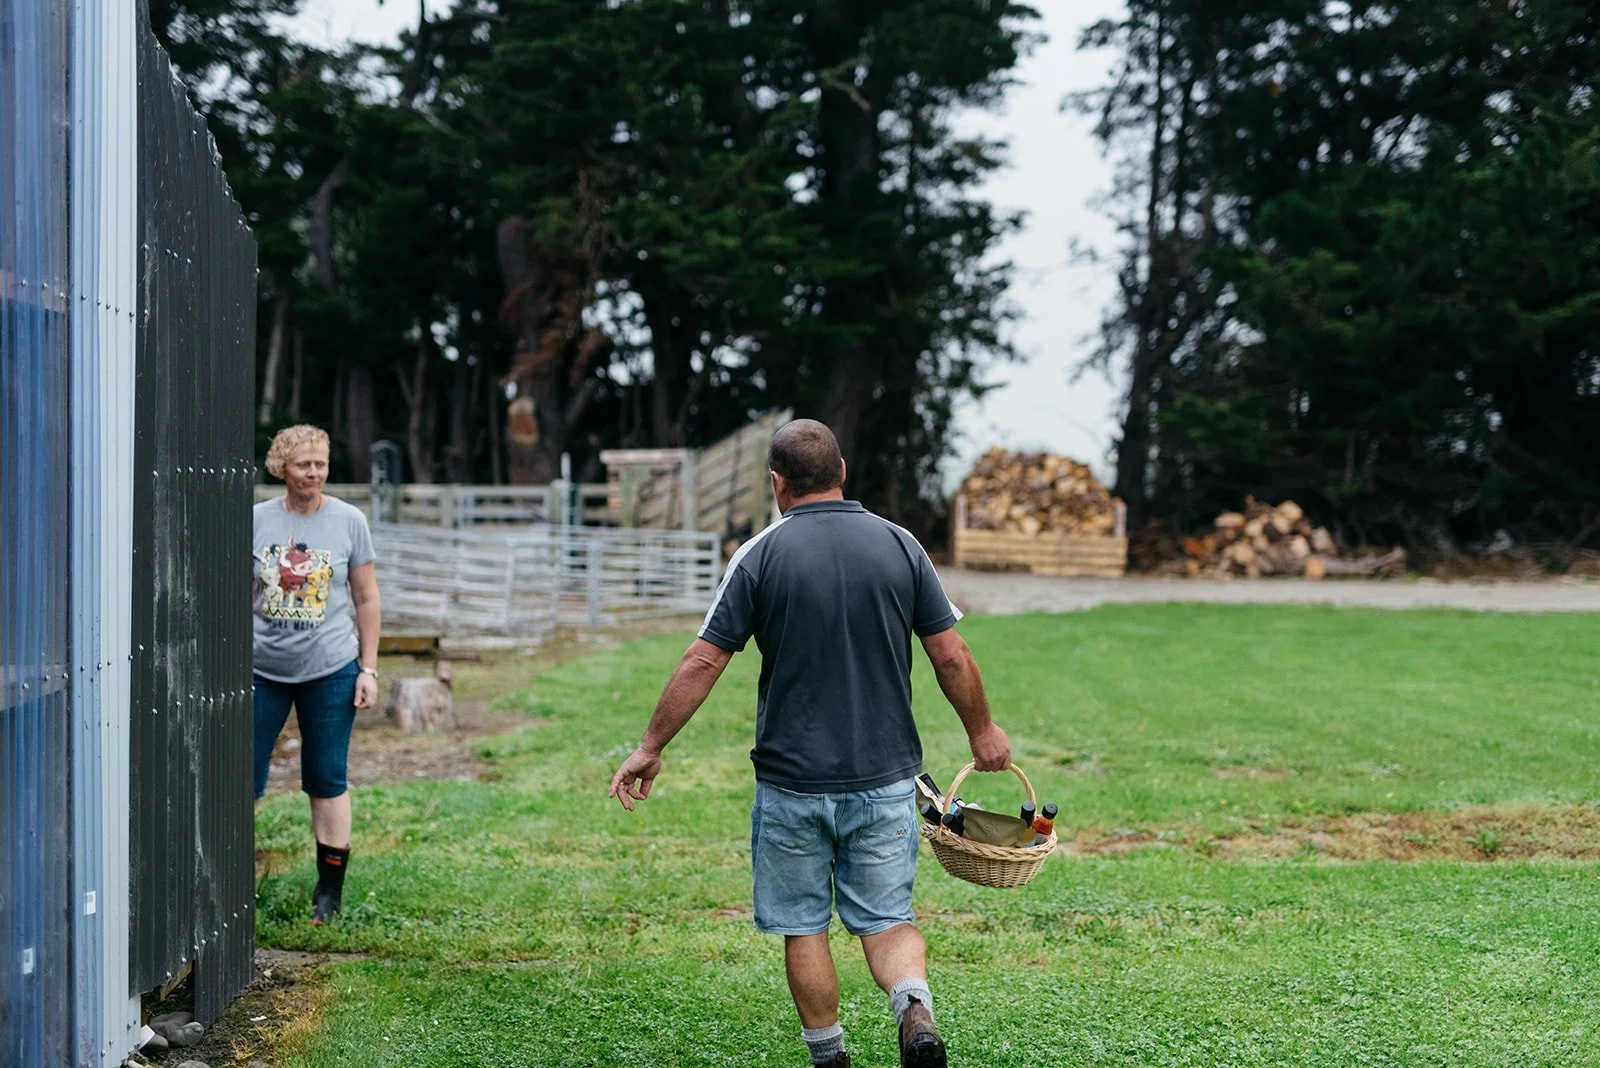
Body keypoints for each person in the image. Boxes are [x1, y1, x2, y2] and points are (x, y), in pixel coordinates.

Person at [609, 419, 1010, 1068]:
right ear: (842, 471)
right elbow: (951, 655)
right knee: (887, 919)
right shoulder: (900, 545)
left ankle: (830, 1058)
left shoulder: (760, 554)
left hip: (792, 785)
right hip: (883, 779)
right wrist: (983, 732)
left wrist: (651, 746)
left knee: (804, 926)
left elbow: (702, 663)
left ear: (777, 483)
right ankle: (913, 1008)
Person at [252, 425, 381, 924]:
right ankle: (232, 881)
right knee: (243, 778)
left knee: (326, 778)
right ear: (282, 466)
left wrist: (367, 668)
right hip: (262, 669)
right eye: (304, 463)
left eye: (321, 464)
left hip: (330, 669)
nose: (314, 472)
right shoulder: (257, 520)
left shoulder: (348, 521)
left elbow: (367, 598)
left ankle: (328, 895)